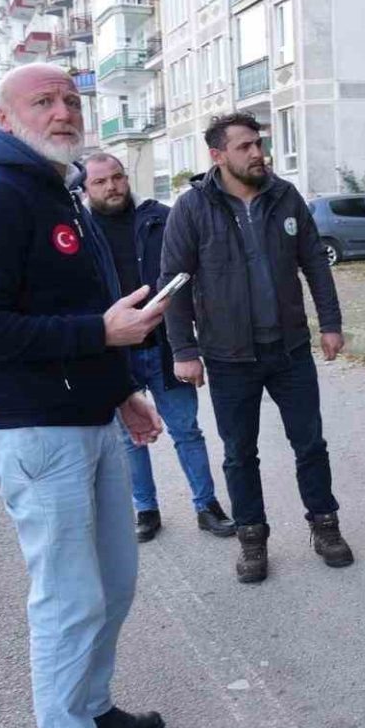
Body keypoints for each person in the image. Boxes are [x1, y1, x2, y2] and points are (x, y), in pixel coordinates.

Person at [0, 64, 168, 728]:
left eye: (71, 99)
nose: (64, 111)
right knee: (68, 600)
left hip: (89, 420)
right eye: (43, 101)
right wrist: (101, 333)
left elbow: (82, 309)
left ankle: (92, 707)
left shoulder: (57, 190)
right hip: (36, 433)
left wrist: (120, 390)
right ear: (5, 118)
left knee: (114, 583)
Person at [160, 111, 353, 584]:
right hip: (228, 357)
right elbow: (174, 281)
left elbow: (315, 263)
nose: (257, 153)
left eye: (258, 143)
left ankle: (325, 524)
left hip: (289, 350)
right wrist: (183, 349)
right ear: (218, 155)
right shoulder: (192, 208)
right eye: (244, 146)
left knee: (310, 443)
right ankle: (252, 537)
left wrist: (330, 323)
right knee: (239, 453)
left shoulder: (285, 197)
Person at [81, 153, 233, 542]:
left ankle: (207, 506)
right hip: (116, 354)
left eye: (117, 177)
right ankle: (146, 510)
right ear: (85, 189)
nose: (112, 186)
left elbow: (192, 273)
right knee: (130, 440)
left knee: (187, 431)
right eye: (100, 182)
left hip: (166, 346)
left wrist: (191, 339)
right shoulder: (80, 233)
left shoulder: (159, 218)